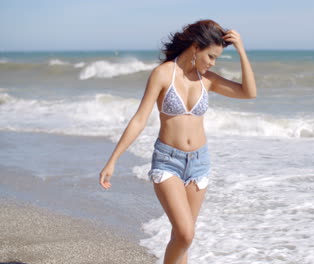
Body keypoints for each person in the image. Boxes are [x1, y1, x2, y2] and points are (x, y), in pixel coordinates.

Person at [99, 20, 256, 264]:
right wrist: (113, 160)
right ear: (195, 47)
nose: (212, 63)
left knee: (182, 239)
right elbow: (140, 119)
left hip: (199, 163)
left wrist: (242, 51)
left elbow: (249, 93)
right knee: (185, 233)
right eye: (211, 56)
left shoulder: (208, 80)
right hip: (167, 161)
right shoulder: (163, 74)